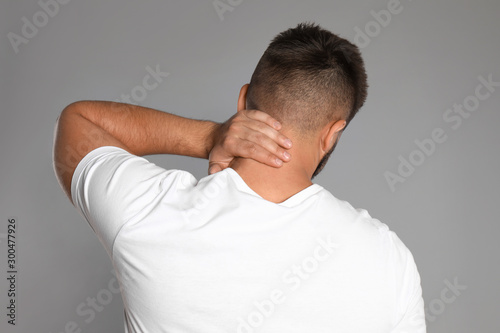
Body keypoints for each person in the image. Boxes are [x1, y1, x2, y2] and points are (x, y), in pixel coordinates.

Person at [53, 22, 426, 332]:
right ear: (333, 134)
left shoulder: (150, 213)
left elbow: (78, 122)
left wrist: (209, 136)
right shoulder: (389, 260)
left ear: (243, 101)